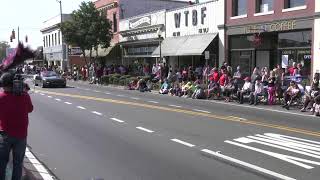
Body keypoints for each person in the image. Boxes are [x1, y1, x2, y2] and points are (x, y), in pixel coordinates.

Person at [0, 72, 33, 180]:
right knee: (18, 163)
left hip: (5, 135)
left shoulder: (1, 97)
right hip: (21, 135)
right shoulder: (25, 96)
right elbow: (30, 109)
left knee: (2, 163)